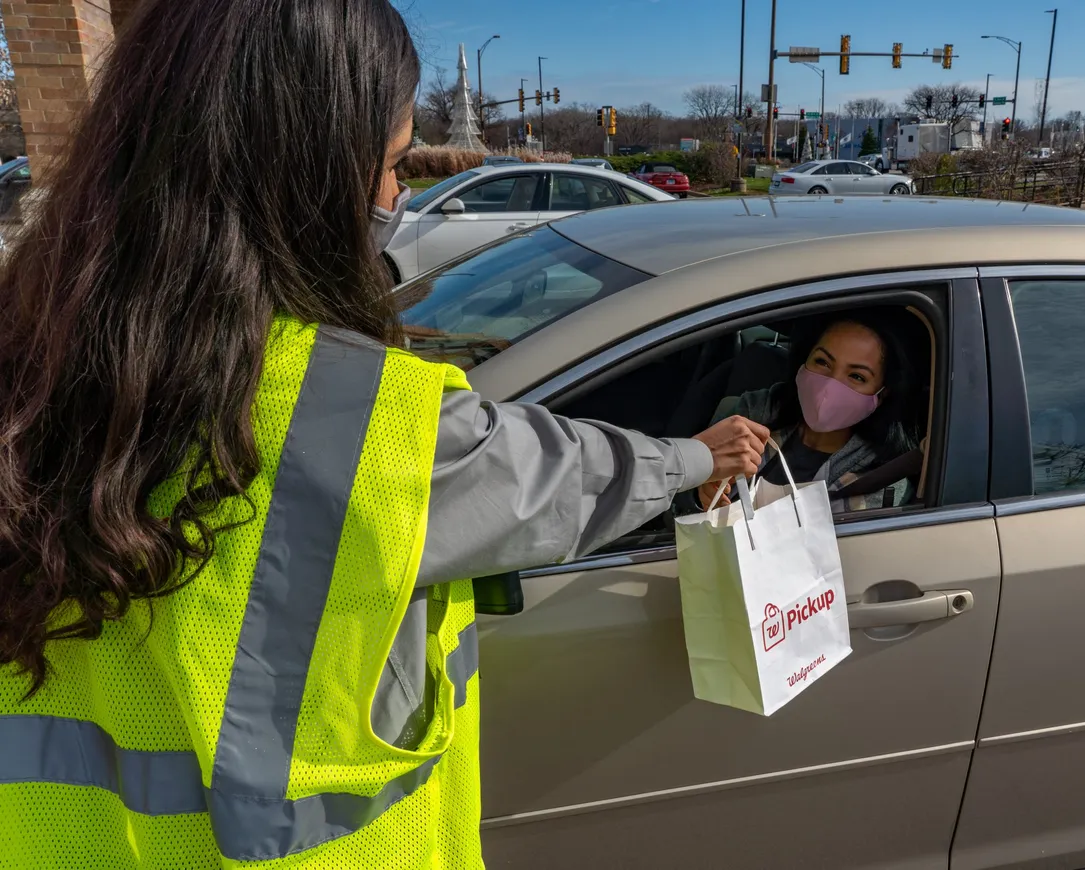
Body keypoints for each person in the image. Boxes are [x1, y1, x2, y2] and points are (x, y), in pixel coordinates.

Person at [0, 1, 767, 867]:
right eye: (395, 163)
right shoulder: (363, 418)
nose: (399, 198)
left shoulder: (42, 358)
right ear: (304, 173)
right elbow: (549, 477)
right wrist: (697, 457)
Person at [697, 312, 925, 514]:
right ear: (803, 361)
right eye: (823, 362)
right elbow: (685, 497)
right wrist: (700, 492)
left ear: (882, 394)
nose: (830, 386)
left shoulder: (884, 480)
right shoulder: (749, 414)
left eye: (857, 376)